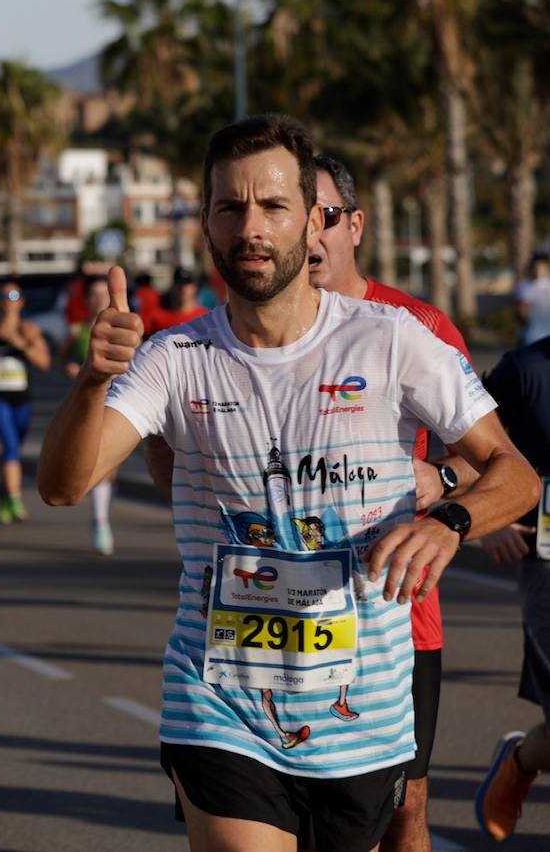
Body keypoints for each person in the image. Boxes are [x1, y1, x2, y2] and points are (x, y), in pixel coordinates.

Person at [38, 114, 538, 852]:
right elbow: (62, 485)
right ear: (205, 225)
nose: (252, 227)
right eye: (230, 208)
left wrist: (449, 521)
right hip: (219, 700)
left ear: (314, 220)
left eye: (273, 206)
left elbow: (514, 472)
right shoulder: (176, 357)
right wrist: (93, 380)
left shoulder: (393, 340)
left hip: (361, 712)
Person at [310, 154, 482, 852]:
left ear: (355, 224)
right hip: (285, 606)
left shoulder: (418, 324)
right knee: (300, 808)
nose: (309, 234)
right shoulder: (260, 326)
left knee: (406, 802)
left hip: (398, 607)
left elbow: (487, 458)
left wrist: (437, 482)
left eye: (324, 215)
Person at [473, 337, 550, 842]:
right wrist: (489, 520)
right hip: (547, 566)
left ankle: (522, 761)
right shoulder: (525, 369)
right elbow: (469, 448)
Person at [0, 278, 50, 524]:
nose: (8, 302)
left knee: (15, 449)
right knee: (9, 447)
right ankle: (16, 500)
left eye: (14, 297)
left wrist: (18, 342)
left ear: (22, 302)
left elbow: (43, 363)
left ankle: (3, 490)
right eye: (4, 297)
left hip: (21, 399)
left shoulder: (28, 329)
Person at [60, 274, 118, 554]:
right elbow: (63, 359)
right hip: (86, 405)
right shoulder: (78, 330)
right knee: (100, 463)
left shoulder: (124, 328)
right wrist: (71, 368)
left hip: (117, 402)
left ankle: (100, 516)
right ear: (86, 300)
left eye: (102, 294)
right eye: (93, 295)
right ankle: (101, 520)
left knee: (108, 467)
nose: (98, 300)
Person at [514, 254, 550, 346]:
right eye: (536, 268)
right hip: (533, 336)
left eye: (541, 268)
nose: (538, 271)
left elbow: (522, 311)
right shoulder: (525, 287)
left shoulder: (525, 287)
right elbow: (522, 311)